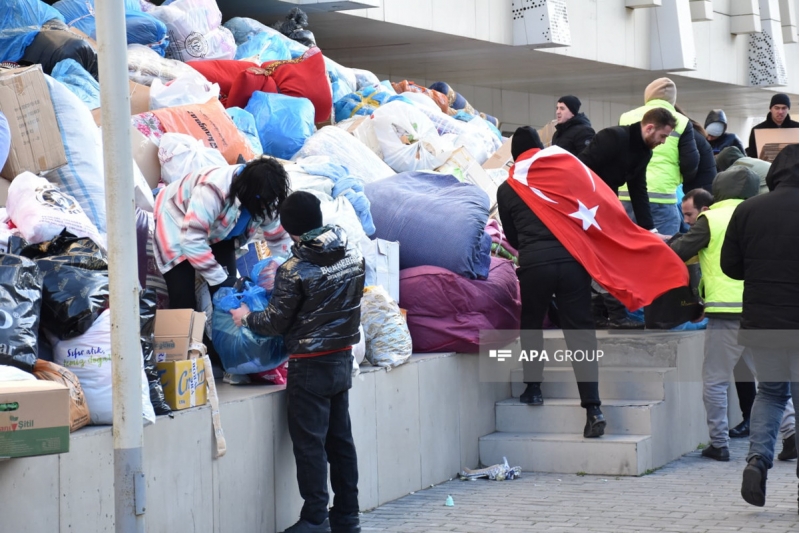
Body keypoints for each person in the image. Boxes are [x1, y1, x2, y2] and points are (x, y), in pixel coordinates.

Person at [231, 191, 365, 533]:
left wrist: (246, 317)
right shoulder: (350, 250)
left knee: (310, 445)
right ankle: (347, 516)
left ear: (289, 229)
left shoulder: (293, 269)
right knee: (340, 440)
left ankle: (315, 518)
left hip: (309, 365)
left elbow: (276, 321)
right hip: (341, 359)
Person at [498, 126, 605, 438]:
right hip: (573, 262)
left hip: (535, 264)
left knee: (531, 323)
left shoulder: (508, 187)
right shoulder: (563, 176)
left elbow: (513, 237)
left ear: (516, 155)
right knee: (581, 334)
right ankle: (593, 408)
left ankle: (533, 388)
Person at [721, 144, 799, 506]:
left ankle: (756, 461)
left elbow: (731, 267)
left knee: (770, 392)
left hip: (762, 322)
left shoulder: (748, 209)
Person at [670, 167, 761, 461]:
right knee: (772, 382)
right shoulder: (759, 214)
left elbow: (680, 251)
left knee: (715, 381)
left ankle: (719, 443)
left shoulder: (711, 218)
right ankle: (790, 436)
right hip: (760, 311)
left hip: (725, 314)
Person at [577, 107, 676, 328]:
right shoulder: (612, 137)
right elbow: (580, 169)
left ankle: (602, 313)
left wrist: (650, 230)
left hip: (605, 205)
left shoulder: (645, 152)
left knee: (604, 256)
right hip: (586, 207)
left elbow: (638, 189)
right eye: (663, 136)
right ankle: (612, 314)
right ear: (649, 128)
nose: (663, 142)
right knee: (601, 256)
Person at [154, 157, 290, 310]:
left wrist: (282, 268)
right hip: (177, 225)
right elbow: (191, 241)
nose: (266, 208)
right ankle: (180, 333)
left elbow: (279, 239)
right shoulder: (213, 190)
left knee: (229, 295)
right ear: (249, 195)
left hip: (220, 234)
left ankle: (217, 332)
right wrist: (219, 278)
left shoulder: (267, 196)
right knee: (184, 300)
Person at [619, 78, 700, 235]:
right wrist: (679, 179)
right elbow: (690, 162)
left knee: (626, 250)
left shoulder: (626, 117)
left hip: (626, 195)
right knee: (662, 250)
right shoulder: (681, 121)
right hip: (663, 197)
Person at [676, 105, 716, 194]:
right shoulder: (691, 130)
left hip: (697, 190)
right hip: (703, 188)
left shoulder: (685, 133)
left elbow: (689, 165)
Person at [746, 93, 798, 158]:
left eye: (784, 108)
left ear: (788, 109)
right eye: (777, 108)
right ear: (771, 109)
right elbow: (752, 156)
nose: (780, 112)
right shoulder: (757, 130)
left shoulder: (797, 128)